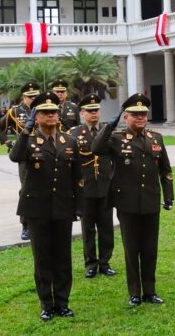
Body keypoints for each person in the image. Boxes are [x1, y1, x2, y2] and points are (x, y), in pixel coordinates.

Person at [91, 94, 174, 306]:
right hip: (127, 202)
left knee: (150, 249)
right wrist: (110, 125)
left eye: (143, 114)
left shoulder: (156, 138)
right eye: (135, 115)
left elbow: (165, 169)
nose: (140, 118)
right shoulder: (117, 138)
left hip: (151, 200)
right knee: (131, 249)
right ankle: (135, 293)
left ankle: (150, 290)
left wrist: (169, 195)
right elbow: (96, 148)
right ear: (126, 117)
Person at [9, 91, 79, 321]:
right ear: (36, 117)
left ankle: (62, 302)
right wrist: (26, 129)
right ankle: (46, 304)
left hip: (62, 208)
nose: (50, 115)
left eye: (53, 112)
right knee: (42, 259)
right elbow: (15, 156)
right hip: (37, 209)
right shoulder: (28, 141)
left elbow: (77, 177)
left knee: (62, 257)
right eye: (44, 112)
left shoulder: (68, 141)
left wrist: (77, 207)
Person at [68, 94, 115, 279]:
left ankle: (105, 262)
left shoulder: (108, 130)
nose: (94, 113)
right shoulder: (74, 133)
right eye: (90, 111)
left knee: (106, 226)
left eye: (96, 110)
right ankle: (90, 264)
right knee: (87, 228)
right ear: (82, 113)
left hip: (105, 185)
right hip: (85, 186)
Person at [0, 81, 41, 240]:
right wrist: (7, 142)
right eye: (29, 96)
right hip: (25, 154)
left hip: (45, 153)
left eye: (35, 96)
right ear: (23, 97)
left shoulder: (45, 109)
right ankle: (26, 225)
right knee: (26, 190)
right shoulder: (15, 111)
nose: (32, 98)